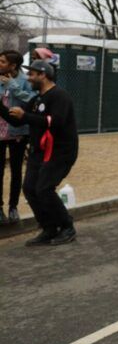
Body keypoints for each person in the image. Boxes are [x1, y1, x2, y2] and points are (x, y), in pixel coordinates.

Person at [0, 60, 78, 245]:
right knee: (29, 188)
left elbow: (56, 122)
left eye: (32, 74)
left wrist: (25, 116)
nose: (29, 78)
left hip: (60, 151)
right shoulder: (36, 99)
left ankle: (67, 226)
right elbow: (17, 121)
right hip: (38, 151)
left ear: (43, 74)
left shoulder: (60, 96)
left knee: (44, 188)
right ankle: (49, 228)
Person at [0, 50, 35, 225]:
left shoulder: (24, 81)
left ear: (13, 66)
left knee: (15, 171)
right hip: (0, 131)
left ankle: (13, 207)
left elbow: (32, 100)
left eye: (2, 61)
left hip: (18, 132)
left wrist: (12, 85)